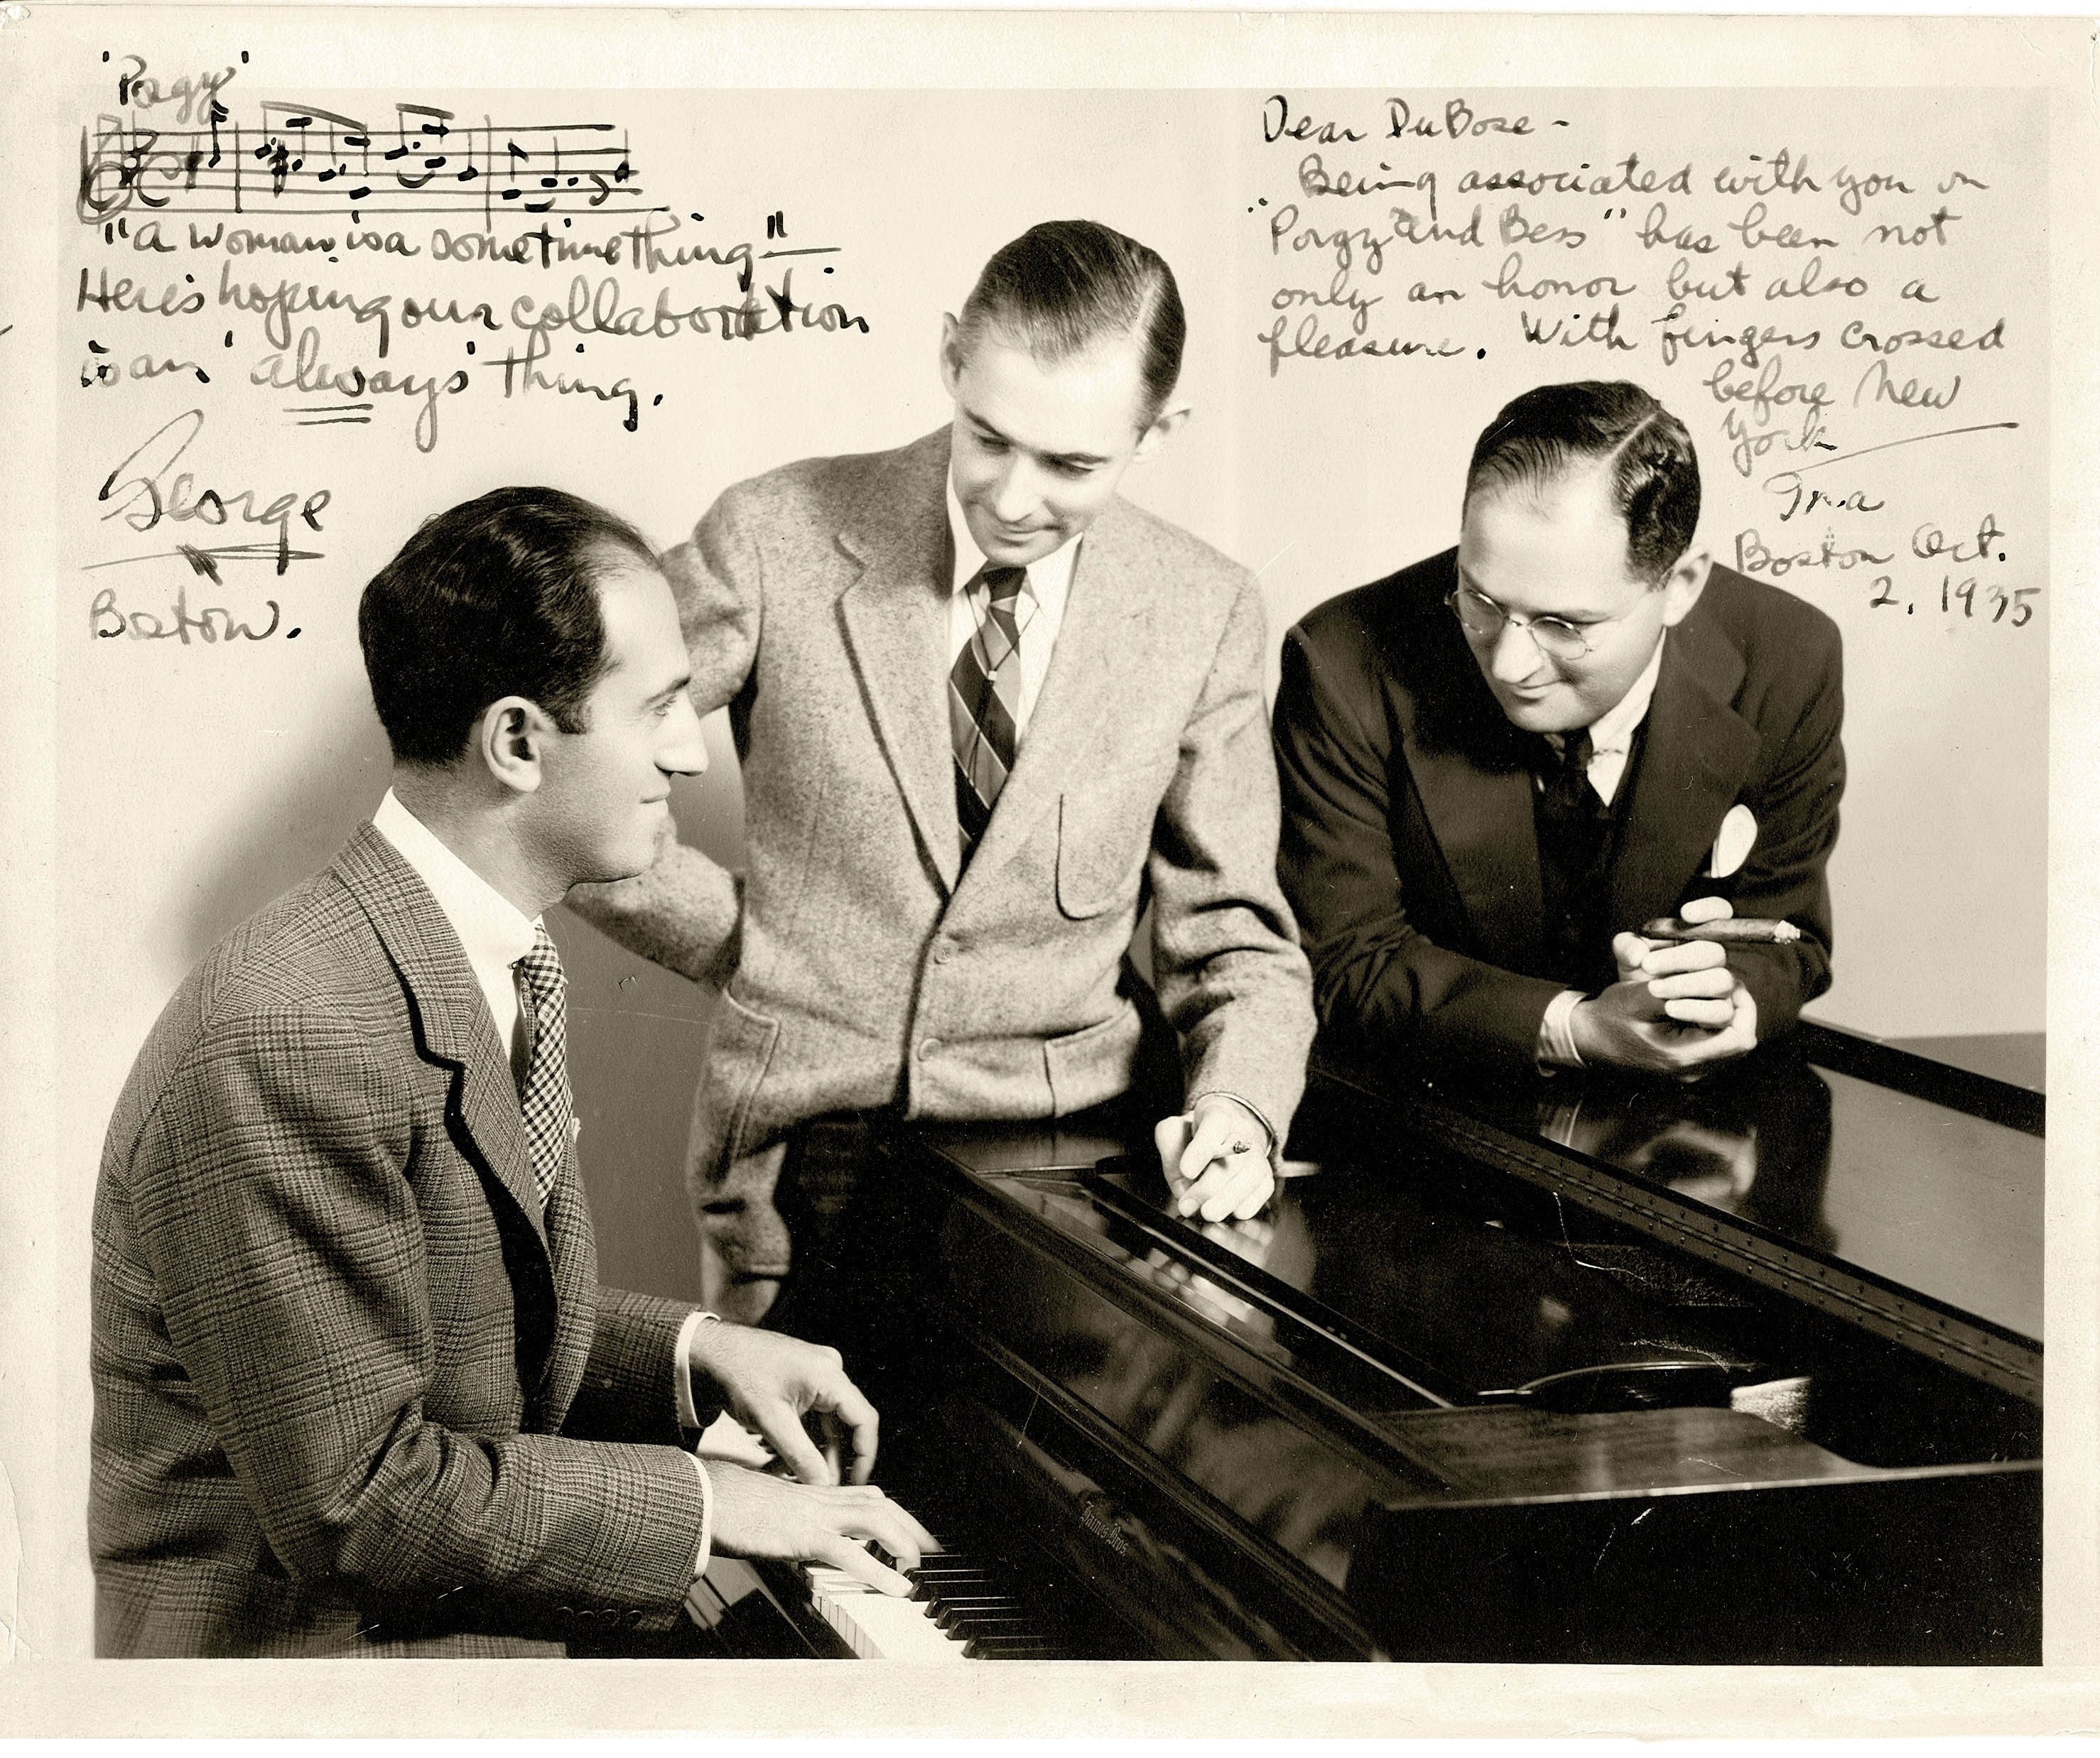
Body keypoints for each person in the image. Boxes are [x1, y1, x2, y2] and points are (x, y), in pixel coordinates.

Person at [90, 487, 934, 1658]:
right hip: (312, 1692)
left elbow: (458, 1330)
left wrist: (695, 1356)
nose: (691, 756)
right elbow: (363, 1502)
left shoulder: (465, 955)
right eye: (661, 710)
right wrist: (713, 1504)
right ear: (519, 743)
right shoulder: (291, 1034)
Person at [571, 219, 1316, 1327]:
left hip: (1069, 1167)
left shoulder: (1205, 610)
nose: (1015, 498)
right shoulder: (776, 533)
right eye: (989, 437)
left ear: (1160, 432)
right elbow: (562, 768)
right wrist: (753, 942)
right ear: (949, 357)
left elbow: (1237, 938)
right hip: (797, 1164)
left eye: (1072, 464)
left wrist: (1239, 1111)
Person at [1272, 380, 1844, 1083]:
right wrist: (1579, 1029)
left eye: (1564, 626)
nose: (1509, 665)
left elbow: (1786, 933)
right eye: (1478, 599)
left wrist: (1723, 996)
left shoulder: (1790, 659)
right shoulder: (1338, 660)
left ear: (1681, 585)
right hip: (1412, 1105)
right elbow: (1342, 960)